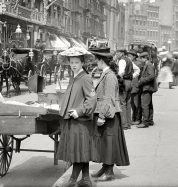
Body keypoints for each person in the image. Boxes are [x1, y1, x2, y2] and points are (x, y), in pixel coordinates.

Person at [57, 49, 96, 187]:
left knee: (77, 151)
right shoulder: (74, 77)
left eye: (76, 62)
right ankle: (85, 179)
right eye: (71, 62)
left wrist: (79, 111)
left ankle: (72, 180)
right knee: (81, 150)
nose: (73, 65)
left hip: (80, 122)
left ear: (82, 62)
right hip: (72, 120)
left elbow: (91, 100)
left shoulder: (85, 78)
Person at [91, 50, 130, 182]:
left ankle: (109, 172)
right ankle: (106, 168)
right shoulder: (107, 74)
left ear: (101, 61)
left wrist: (102, 116)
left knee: (109, 143)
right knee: (106, 143)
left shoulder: (110, 76)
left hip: (108, 115)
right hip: (108, 114)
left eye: (97, 60)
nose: (96, 63)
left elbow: (108, 98)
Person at [115, 47, 133, 130]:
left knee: (122, 103)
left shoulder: (121, 61)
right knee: (128, 103)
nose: (117, 54)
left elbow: (121, 71)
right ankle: (129, 123)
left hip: (124, 82)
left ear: (122, 53)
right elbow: (137, 70)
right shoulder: (129, 60)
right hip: (129, 82)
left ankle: (124, 124)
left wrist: (118, 78)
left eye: (118, 52)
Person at [136, 52, 156, 128]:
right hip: (147, 87)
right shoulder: (147, 65)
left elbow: (151, 76)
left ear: (144, 58)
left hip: (147, 87)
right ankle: (150, 120)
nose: (140, 60)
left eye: (140, 58)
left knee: (144, 105)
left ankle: (145, 122)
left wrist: (142, 80)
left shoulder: (149, 65)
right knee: (149, 105)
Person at [127, 51, 141, 125]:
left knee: (136, 103)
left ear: (134, 56)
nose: (129, 57)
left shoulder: (138, 64)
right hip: (131, 86)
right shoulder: (129, 63)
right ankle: (134, 118)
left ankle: (138, 119)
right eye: (128, 55)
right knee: (132, 104)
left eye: (130, 56)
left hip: (135, 85)